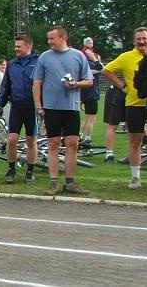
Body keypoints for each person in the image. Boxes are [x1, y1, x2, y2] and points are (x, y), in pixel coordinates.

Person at [32, 26, 93, 195]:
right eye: (48, 39)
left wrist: (75, 84)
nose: (49, 41)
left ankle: (70, 182)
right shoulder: (44, 57)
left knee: (72, 144)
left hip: (71, 107)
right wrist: (38, 105)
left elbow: (89, 81)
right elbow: (36, 83)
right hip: (51, 108)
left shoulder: (78, 56)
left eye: (52, 38)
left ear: (62, 38)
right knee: (53, 144)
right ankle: (53, 182)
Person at [103, 26, 147, 190]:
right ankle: (135, 177)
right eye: (138, 39)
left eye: (144, 38)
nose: (141, 41)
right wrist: (122, 85)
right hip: (134, 105)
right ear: (134, 41)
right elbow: (107, 70)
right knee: (135, 142)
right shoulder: (126, 57)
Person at [0, 35, 39, 184]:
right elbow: (6, 85)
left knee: (31, 140)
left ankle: (30, 171)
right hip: (16, 106)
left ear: (28, 46)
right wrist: (1, 103)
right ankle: (11, 169)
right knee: (12, 139)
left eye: (19, 46)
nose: (16, 49)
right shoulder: (12, 64)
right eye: (15, 46)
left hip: (32, 107)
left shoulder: (37, 62)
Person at [79, 37, 104, 144]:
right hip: (90, 92)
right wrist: (95, 59)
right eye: (88, 42)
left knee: (87, 117)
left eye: (92, 42)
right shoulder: (87, 61)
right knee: (91, 118)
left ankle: (80, 135)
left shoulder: (82, 58)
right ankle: (87, 139)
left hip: (84, 92)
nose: (91, 44)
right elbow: (101, 68)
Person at [102, 85, 127, 162]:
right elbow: (108, 73)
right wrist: (122, 85)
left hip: (132, 90)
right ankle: (109, 154)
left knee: (134, 124)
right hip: (117, 90)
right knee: (113, 124)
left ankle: (133, 154)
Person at [0, 59, 10, 126]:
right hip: (3, 99)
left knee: (7, 118)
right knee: (6, 119)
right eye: (2, 65)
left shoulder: (4, 75)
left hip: (7, 99)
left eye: (5, 65)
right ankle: (3, 135)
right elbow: (5, 86)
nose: (4, 66)